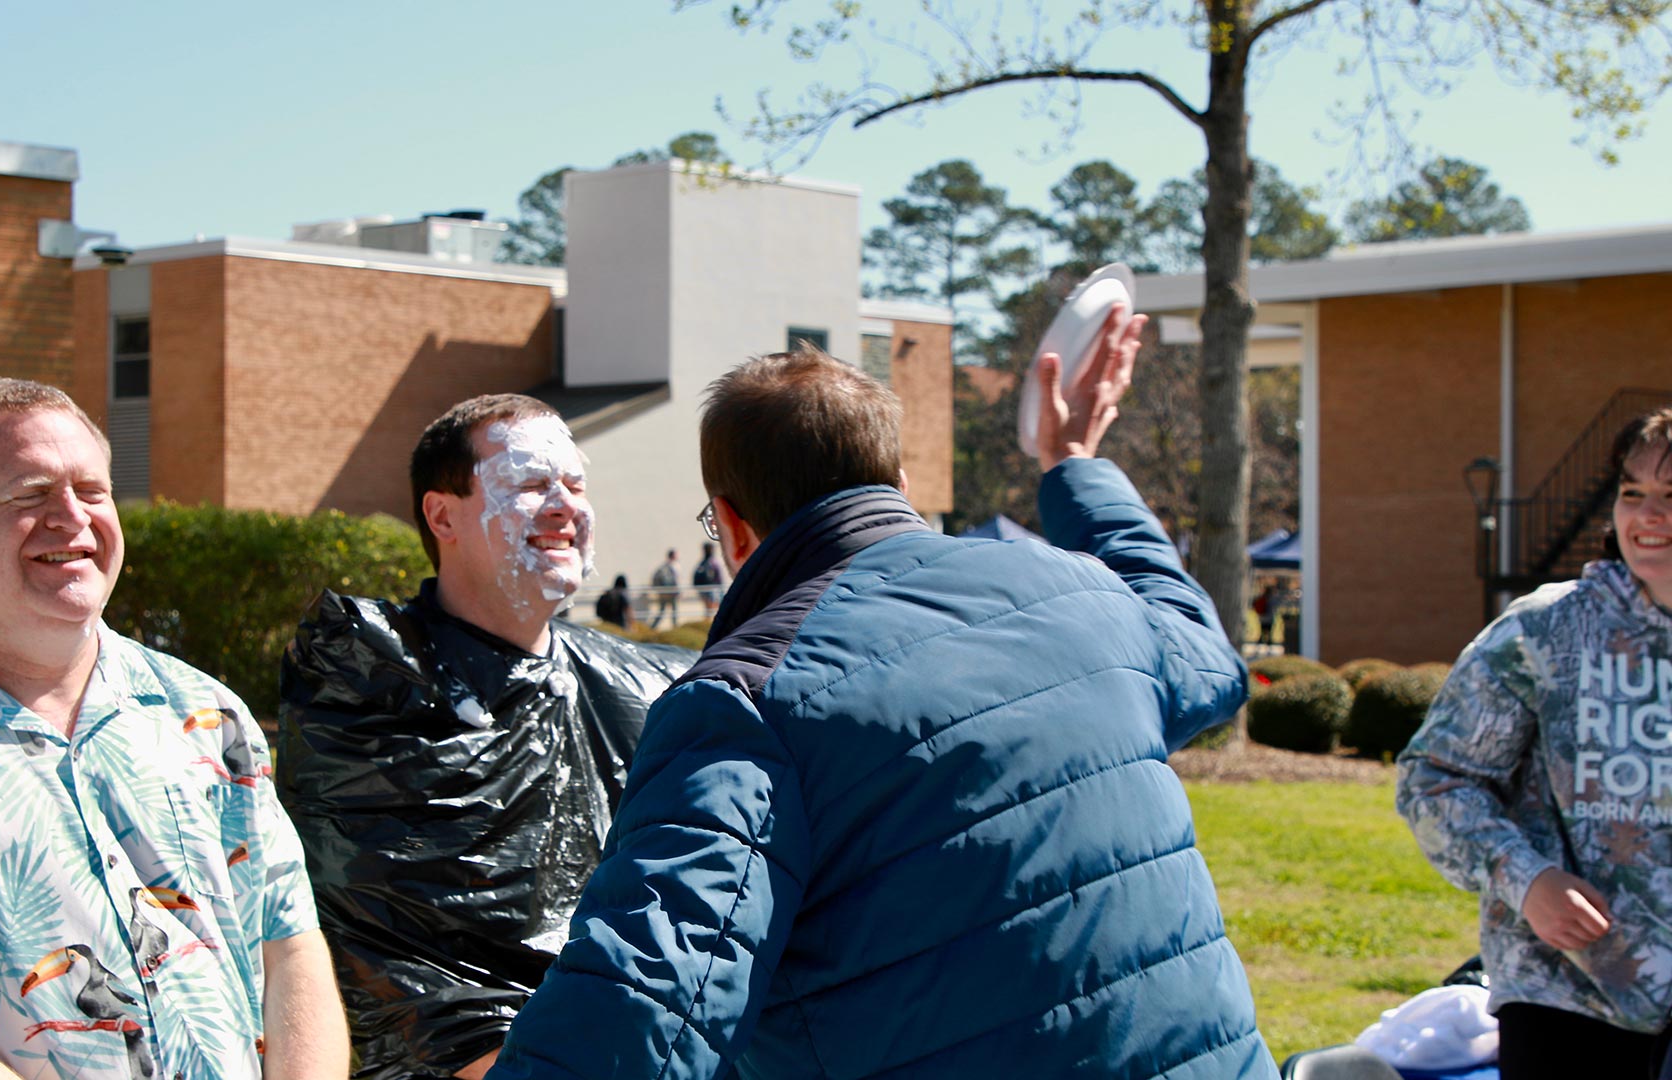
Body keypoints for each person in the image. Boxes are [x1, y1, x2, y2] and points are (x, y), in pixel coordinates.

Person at [486, 312, 1275, 1078]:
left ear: (729, 527)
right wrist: (1076, 464)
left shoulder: (744, 702)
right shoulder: (1087, 595)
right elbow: (1205, 658)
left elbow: (639, 1017)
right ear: (899, 484)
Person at [0, 379, 347, 1079]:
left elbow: (287, 945)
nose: (72, 518)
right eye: (30, 494)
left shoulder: (203, 713)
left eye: (93, 490)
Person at [275, 394, 691, 1080]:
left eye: (576, 484)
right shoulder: (373, 686)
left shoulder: (641, 684)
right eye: (530, 485)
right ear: (443, 516)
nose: (565, 507)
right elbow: (398, 958)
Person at [1398, 406, 1672, 1080]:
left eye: (1671, 496)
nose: (1646, 516)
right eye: (1632, 493)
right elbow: (1433, 781)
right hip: (1565, 998)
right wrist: (1528, 881)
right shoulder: (1544, 633)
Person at [649, 548, 682, 628]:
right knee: (673, 612)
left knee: (663, 611)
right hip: (672, 593)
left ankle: (653, 627)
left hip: (665, 593)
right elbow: (676, 581)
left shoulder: (664, 566)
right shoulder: (674, 566)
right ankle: (675, 627)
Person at [692, 540, 727, 615]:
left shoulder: (704, 563)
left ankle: (709, 620)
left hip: (708, 589)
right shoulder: (712, 563)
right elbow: (719, 578)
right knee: (711, 608)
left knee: (710, 608)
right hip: (711, 589)